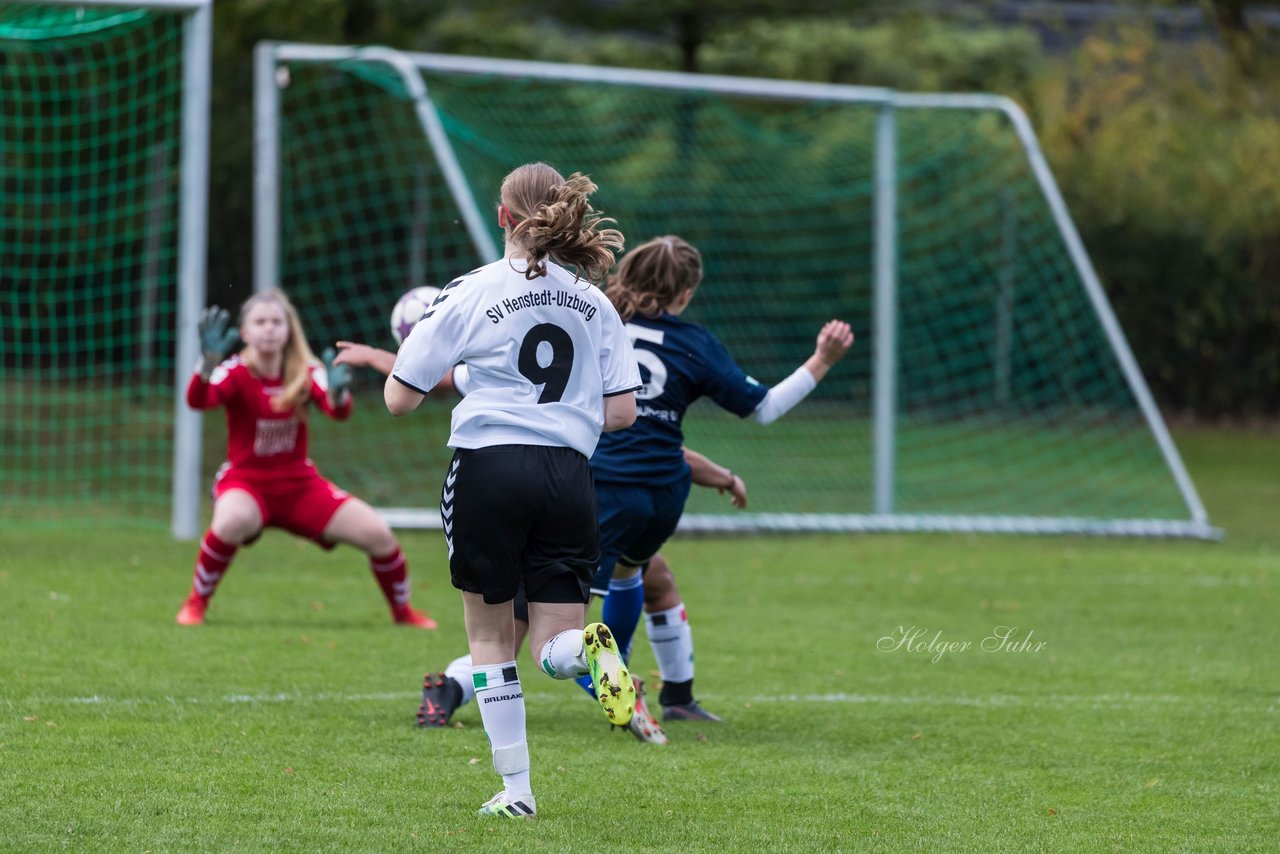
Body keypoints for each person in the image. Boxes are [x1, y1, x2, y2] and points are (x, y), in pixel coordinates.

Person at [384, 162, 641, 819]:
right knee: (553, 642)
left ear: (503, 216)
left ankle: (518, 791)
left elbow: (398, 400)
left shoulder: (471, 290)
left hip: (490, 469)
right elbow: (621, 414)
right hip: (569, 475)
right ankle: (584, 648)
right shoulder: (596, 302)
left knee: (491, 642)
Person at [585, 234, 853, 723]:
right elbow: (765, 408)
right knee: (635, 571)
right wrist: (823, 359)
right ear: (685, 294)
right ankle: (655, 692)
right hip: (665, 492)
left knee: (536, 604)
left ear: (626, 273)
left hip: (605, 484)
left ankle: (599, 685)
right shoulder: (695, 345)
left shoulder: (595, 327)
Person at [175, 289, 437, 630]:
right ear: (245, 332)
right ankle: (195, 604)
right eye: (260, 322)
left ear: (288, 330)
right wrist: (206, 362)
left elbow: (337, 411)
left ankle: (403, 613)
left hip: (299, 486)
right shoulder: (234, 371)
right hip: (246, 483)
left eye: (276, 322)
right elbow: (198, 400)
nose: (268, 329)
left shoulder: (306, 370)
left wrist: (338, 392)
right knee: (230, 522)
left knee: (379, 535)